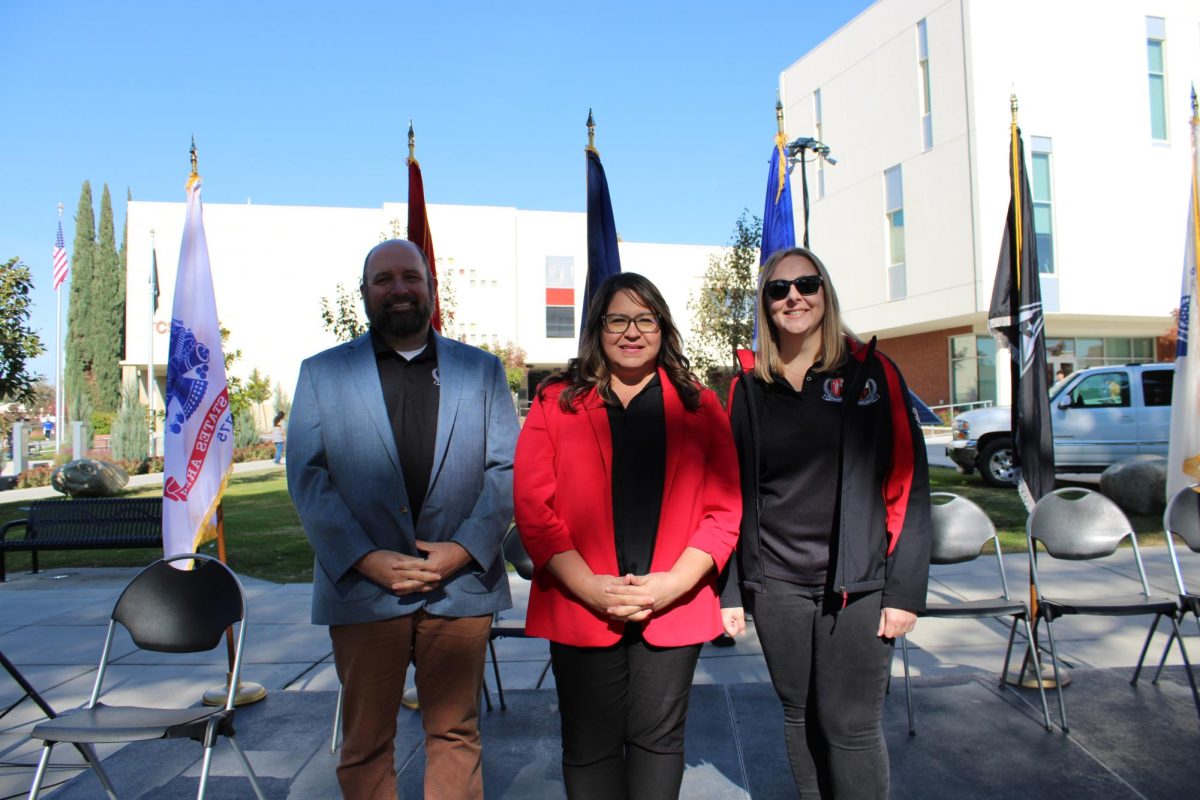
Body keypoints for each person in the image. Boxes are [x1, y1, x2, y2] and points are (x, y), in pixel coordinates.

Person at [287, 239, 518, 800]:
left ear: (431, 288)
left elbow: (508, 468)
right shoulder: (322, 374)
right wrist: (366, 559)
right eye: (383, 279)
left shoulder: (480, 371)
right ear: (364, 292)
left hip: (459, 586)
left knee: (456, 732)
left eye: (410, 278)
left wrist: (462, 550)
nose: (398, 289)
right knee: (365, 740)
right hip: (363, 589)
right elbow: (308, 477)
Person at [514, 272, 741, 800]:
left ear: (663, 329)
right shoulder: (556, 402)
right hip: (582, 601)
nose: (632, 332)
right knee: (589, 746)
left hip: (672, 601)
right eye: (619, 319)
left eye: (645, 319)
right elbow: (532, 506)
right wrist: (589, 586)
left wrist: (672, 584)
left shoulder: (699, 405)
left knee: (659, 743)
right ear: (598, 327)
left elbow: (724, 507)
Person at [721, 247, 931, 799]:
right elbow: (729, 491)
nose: (794, 296)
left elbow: (909, 481)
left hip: (858, 585)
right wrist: (729, 590)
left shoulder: (871, 372)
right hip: (777, 585)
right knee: (800, 716)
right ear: (765, 305)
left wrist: (904, 590)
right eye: (778, 289)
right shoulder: (748, 386)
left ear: (825, 293)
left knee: (851, 726)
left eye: (807, 284)